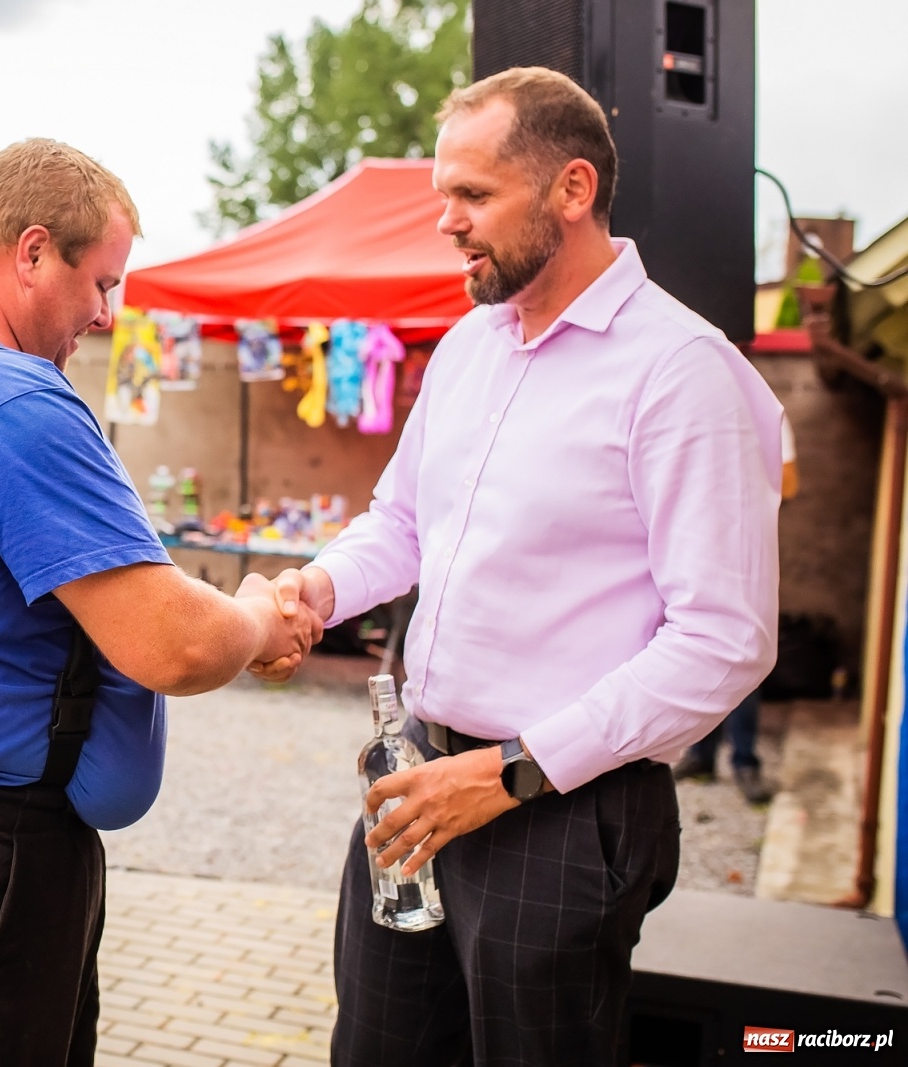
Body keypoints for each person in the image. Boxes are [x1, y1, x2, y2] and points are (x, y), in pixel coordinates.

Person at [256, 69, 782, 1065]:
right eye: (440, 197)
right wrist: (314, 590)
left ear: (569, 190)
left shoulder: (682, 372)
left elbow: (724, 639)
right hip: (418, 775)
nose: (446, 223)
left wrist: (512, 770)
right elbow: (400, 523)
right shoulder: (464, 347)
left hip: (562, 805)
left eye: (472, 195)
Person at [0, 139, 319, 1065]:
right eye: (103, 282)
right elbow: (173, 645)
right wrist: (261, 616)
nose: (108, 316)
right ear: (32, 252)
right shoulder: (7, 396)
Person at [674, 414, 801, 804]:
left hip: (743, 550)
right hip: (693, 546)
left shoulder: (766, 413)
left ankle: (745, 760)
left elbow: (790, 484)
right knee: (693, 652)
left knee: (741, 655)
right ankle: (701, 755)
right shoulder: (692, 407)